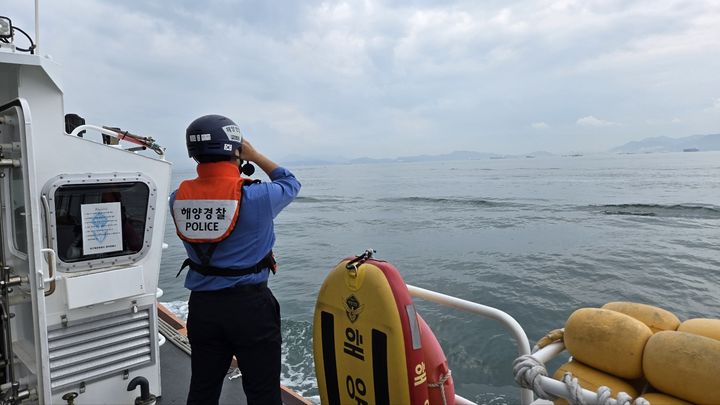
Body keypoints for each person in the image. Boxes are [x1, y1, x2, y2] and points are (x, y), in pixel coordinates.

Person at [169, 114, 301, 404]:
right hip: (250, 308)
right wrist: (254, 155)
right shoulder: (257, 196)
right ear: (235, 150)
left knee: (203, 388)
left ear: (193, 153)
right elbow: (290, 182)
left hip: (203, 307)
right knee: (262, 392)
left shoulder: (177, 198)